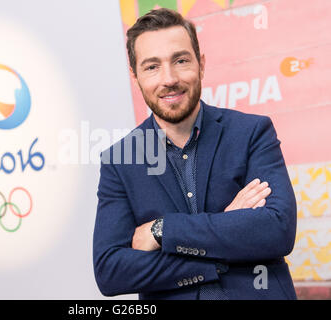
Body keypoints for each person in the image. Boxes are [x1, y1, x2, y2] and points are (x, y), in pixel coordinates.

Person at [93, 8, 297, 300]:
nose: (169, 78)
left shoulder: (252, 132)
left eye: (181, 60)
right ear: (135, 76)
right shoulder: (120, 159)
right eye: (152, 67)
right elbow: (111, 272)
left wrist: (162, 231)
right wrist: (227, 238)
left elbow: (277, 230)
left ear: (201, 64)